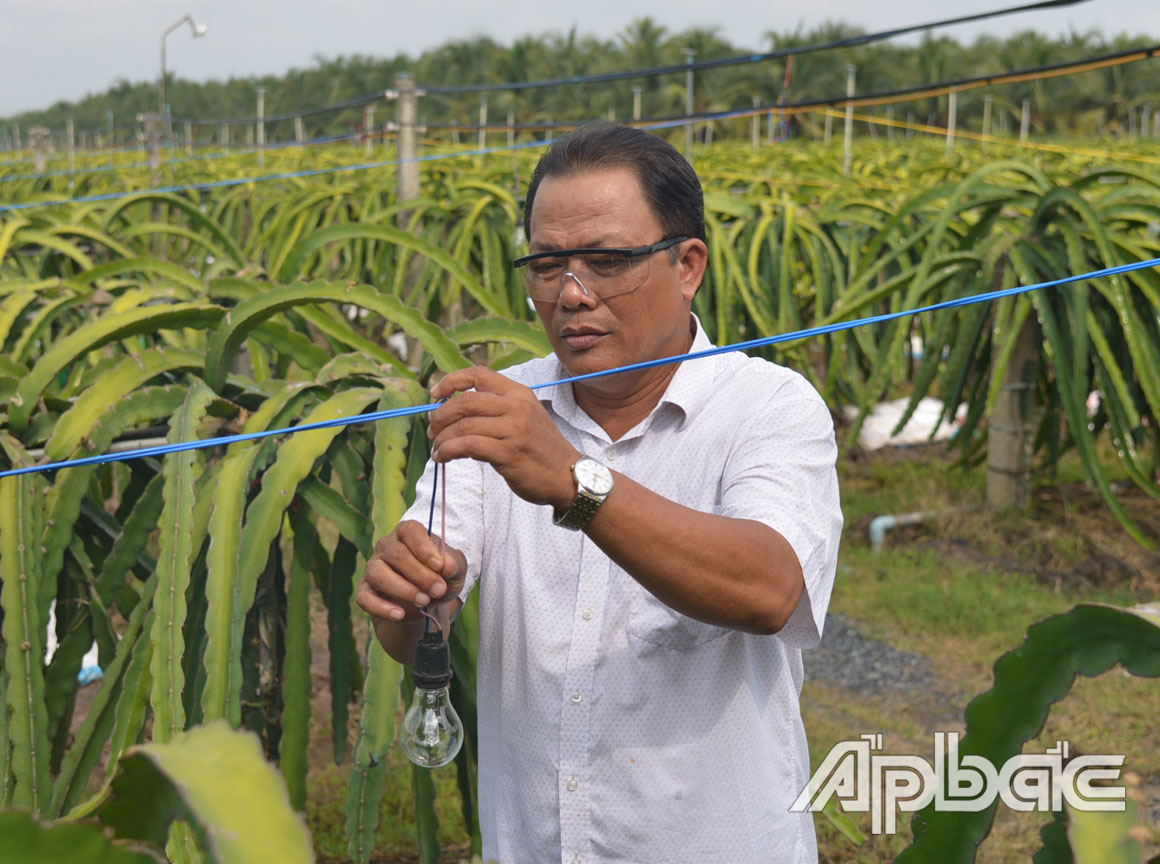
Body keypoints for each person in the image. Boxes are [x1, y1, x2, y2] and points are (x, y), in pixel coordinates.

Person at [356, 122, 843, 864]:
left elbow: (770, 589)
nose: (573, 295)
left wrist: (573, 484)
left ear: (687, 265)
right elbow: (412, 624)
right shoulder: (502, 411)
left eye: (609, 262)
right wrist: (412, 595)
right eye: (547, 265)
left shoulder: (769, 408)